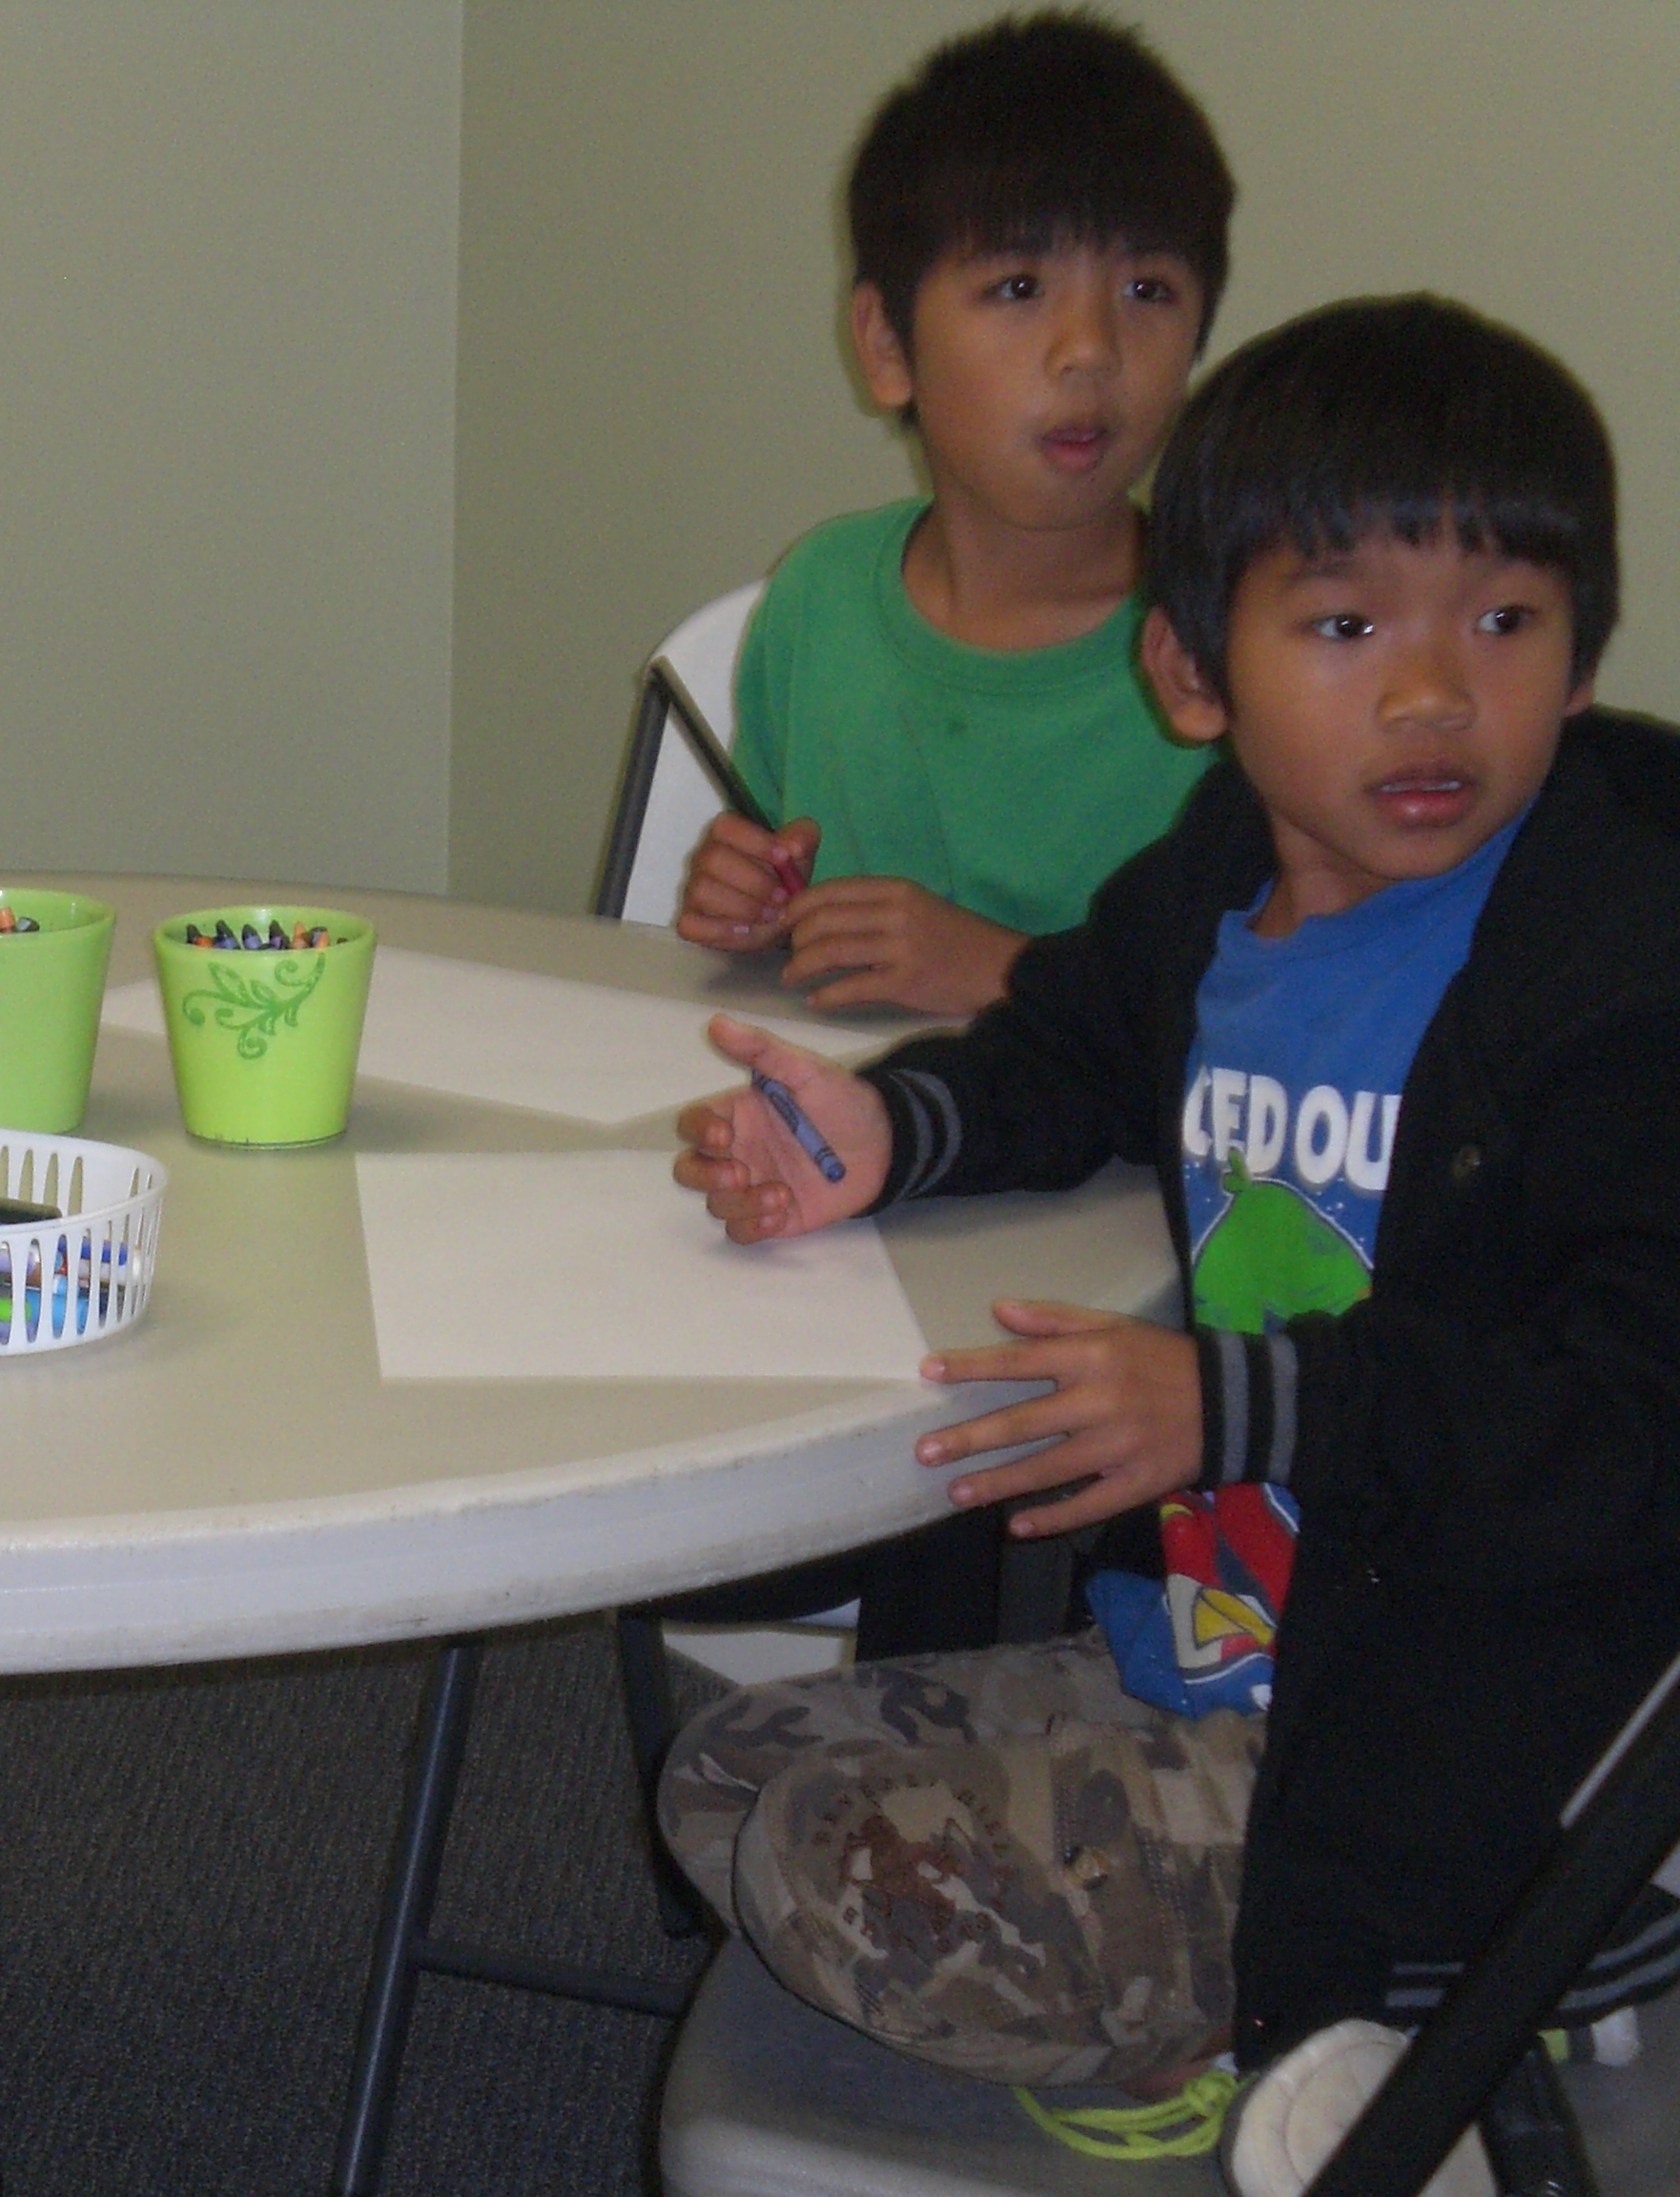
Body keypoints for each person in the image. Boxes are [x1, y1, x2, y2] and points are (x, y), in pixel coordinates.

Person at [658, 298, 1680, 2104]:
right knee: (723, 1775)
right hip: (1220, 1651)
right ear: (1194, 674)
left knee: (835, 1873)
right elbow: (1065, 1043)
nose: (1433, 692)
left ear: (1582, 659)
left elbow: (1625, 1413)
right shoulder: (1219, 871)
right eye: (1347, 625)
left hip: (1464, 1741)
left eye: (1504, 621)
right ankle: (1243, 2006)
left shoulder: (1615, 960)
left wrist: (1237, 1403)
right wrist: (889, 1130)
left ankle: (1469, 1976)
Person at [675, 11, 1229, 1016]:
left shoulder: (1236, 641)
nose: (1090, 348)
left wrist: (1007, 974)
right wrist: (759, 903)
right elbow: (794, 918)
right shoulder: (820, 598)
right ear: (887, 346)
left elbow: (1285, 1012)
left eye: (1148, 289)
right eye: (1019, 286)